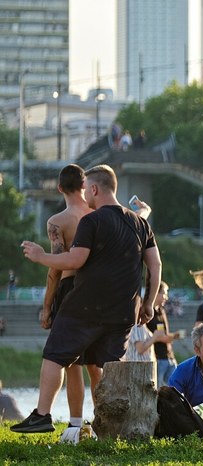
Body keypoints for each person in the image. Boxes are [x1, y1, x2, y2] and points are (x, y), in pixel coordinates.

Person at [13, 165, 161, 434]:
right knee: (107, 367)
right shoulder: (139, 222)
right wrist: (149, 302)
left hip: (85, 305)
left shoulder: (91, 221)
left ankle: (43, 416)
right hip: (124, 310)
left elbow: (75, 259)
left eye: (88, 190)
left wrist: (40, 255)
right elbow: (155, 265)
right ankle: (108, 424)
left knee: (56, 355)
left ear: (92, 189)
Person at [35, 165, 95, 434]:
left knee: (70, 363)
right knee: (96, 364)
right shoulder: (99, 215)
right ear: (85, 185)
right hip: (98, 290)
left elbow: (56, 268)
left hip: (69, 289)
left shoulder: (58, 222)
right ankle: (103, 421)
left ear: (59, 188)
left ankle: (74, 424)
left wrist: (47, 307)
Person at [137, 281, 180, 384]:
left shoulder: (161, 311)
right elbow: (154, 336)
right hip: (157, 358)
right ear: (156, 292)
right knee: (158, 391)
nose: (166, 297)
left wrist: (173, 336)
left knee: (175, 389)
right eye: (164, 293)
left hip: (169, 357)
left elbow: (164, 335)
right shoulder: (145, 313)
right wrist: (162, 337)